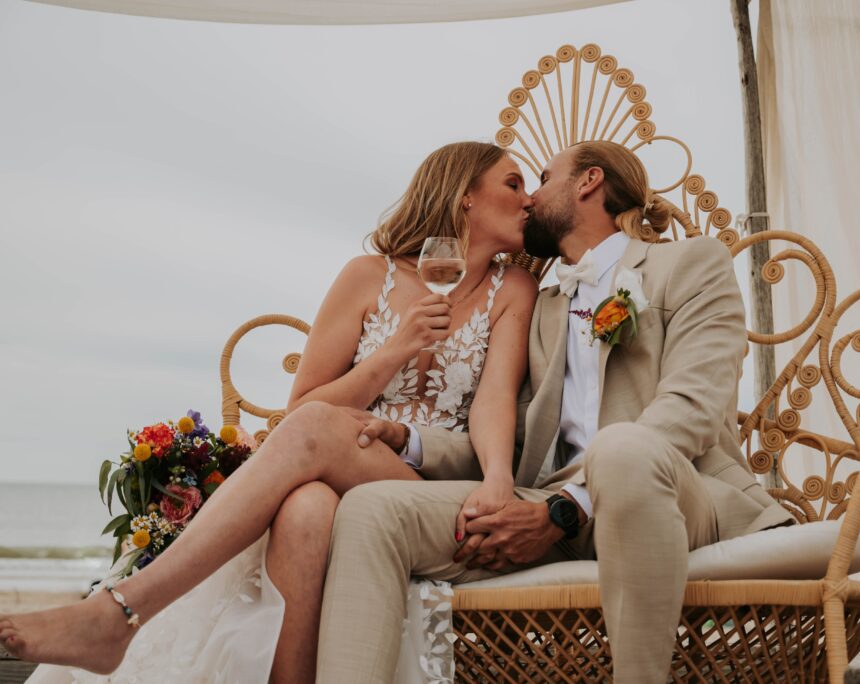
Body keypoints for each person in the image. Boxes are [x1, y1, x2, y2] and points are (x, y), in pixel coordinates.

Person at [1, 140, 539, 683]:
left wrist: (498, 478)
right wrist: (395, 350)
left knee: (312, 436)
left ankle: (121, 609)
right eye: (513, 184)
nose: (528, 199)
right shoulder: (366, 276)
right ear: (464, 196)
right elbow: (303, 404)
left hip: (432, 479)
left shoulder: (515, 288)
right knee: (304, 507)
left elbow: (493, 399)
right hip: (346, 461)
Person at [316, 141, 795, 683]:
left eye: (541, 179)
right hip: (546, 507)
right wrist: (409, 438)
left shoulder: (689, 263)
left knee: (622, 450)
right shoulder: (539, 302)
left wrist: (565, 509)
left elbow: (694, 407)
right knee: (374, 511)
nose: (530, 198)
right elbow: (513, 437)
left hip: (673, 494)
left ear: (589, 182)